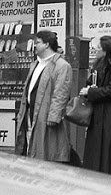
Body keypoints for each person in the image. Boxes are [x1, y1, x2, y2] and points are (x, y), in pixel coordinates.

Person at [14, 31, 72, 162]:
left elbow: (61, 93)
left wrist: (54, 116)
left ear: (47, 44)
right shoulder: (35, 64)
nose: (34, 46)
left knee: (46, 152)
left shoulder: (62, 66)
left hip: (46, 117)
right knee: (29, 146)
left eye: (37, 43)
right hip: (30, 114)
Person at [79, 35, 111, 176]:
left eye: (98, 49)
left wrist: (91, 92)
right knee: (96, 146)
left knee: (110, 147)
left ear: (106, 50)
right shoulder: (99, 65)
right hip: (99, 112)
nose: (95, 51)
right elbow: (90, 83)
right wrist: (89, 89)